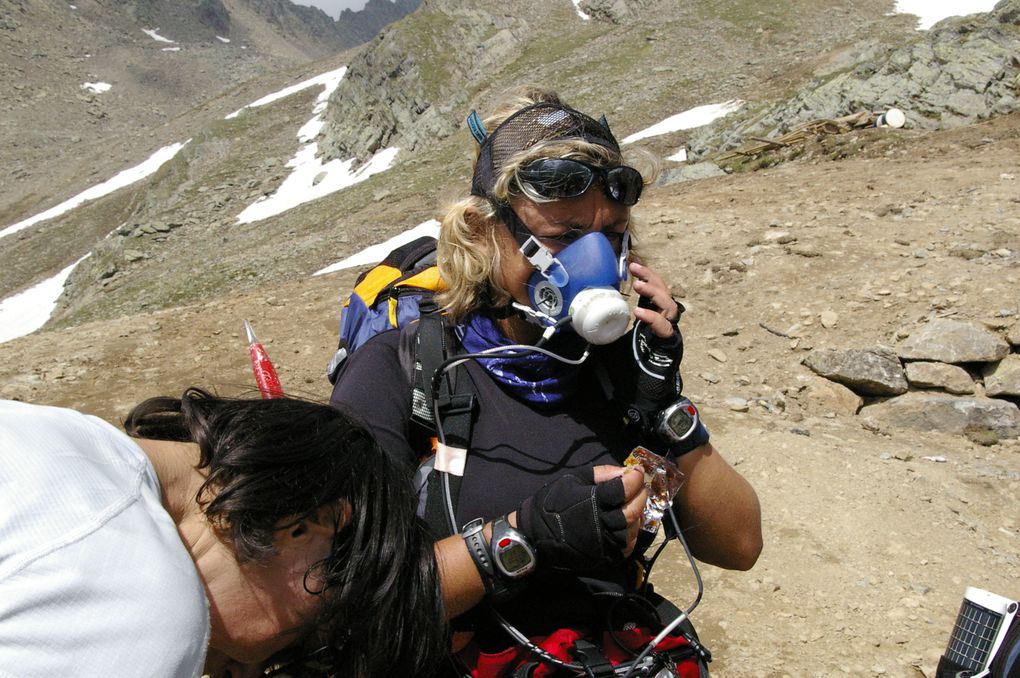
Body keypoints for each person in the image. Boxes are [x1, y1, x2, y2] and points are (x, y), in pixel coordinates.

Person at [330, 86, 762, 675]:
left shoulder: (613, 372)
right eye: (561, 236)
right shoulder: (398, 369)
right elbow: (354, 604)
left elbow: (739, 546)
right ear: (483, 231)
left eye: (611, 233)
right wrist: (526, 536)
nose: (594, 259)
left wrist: (666, 406)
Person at [0, 389, 447, 678]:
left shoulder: (53, 428)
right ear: (309, 524)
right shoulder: (151, 619)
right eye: (310, 625)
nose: (253, 668)